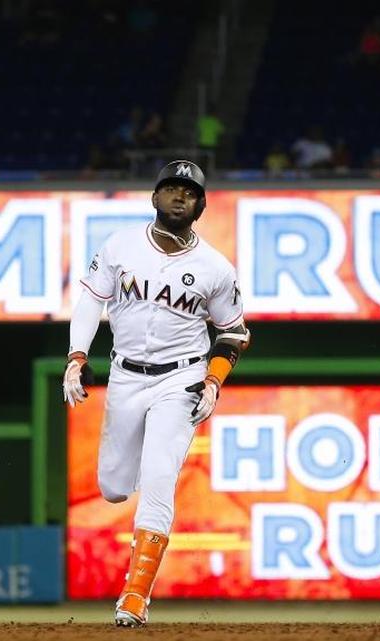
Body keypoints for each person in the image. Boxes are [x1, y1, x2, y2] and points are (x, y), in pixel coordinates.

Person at [63, 160, 250, 627]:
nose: (179, 196)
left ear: (201, 205)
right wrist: (76, 356)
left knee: (160, 476)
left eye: (189, 191)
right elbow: (90, 299)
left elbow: (234, 333)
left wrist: (213, 379)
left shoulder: (216, 268)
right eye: (170, 187)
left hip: (181, 378)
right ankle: (133, 507)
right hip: (126, 374)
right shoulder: (121, 245)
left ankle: (135, 595)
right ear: (154, 197)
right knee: (111, 486)